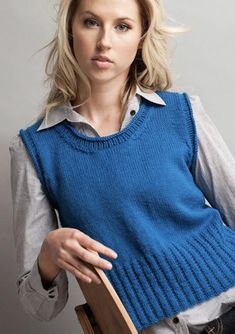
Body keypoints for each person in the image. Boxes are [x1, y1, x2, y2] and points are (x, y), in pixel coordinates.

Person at [9, 0, 235, 333]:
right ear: (71, 30)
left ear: (142, 37)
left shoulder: (183, 113)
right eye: (91, 22)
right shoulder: (34, 150)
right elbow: (40, 309)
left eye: (122, 26)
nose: (104, 41)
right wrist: (48, 256)